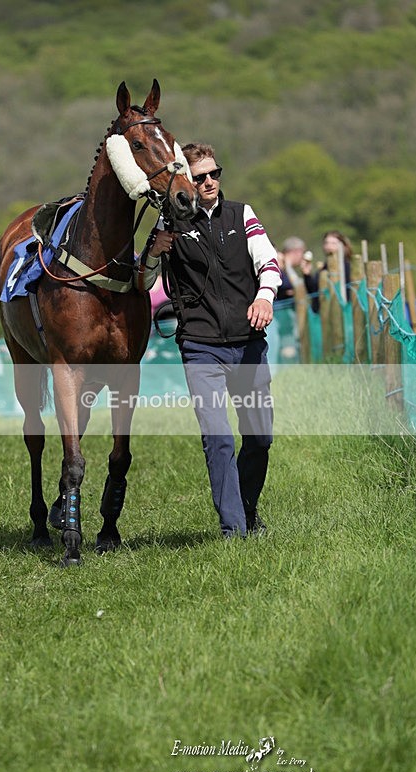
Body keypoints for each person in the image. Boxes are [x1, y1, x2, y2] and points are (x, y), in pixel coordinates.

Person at [142, 142, 282, 539]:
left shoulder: (243, 214)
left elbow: (268, 262)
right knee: (218, 436)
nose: (208, 182)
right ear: (188, 178)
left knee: (259, 438)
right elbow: (144, 282)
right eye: (200, 176)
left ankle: (247, 511)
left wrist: (264, 296)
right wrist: (153, 253)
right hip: (201, 345)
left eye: (213, 174)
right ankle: (233, 529)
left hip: (249, 342)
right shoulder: (168, 223)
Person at [301, 229, 351, 312]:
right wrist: (307, 275)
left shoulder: (347, 267)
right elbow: (314, 292)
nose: (329, 246)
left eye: (333, 243)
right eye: (326, 243)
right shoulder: (323, 268)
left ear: (343, 247)